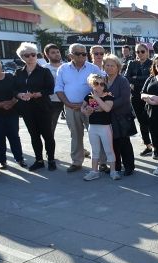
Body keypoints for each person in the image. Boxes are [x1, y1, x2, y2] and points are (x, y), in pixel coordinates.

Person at [54, 43, 102, 172]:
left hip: (90, 108)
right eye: (78, 53)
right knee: (75, 135)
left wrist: (88, 104)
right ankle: (76, 161)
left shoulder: (93, 68)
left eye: (84, 53)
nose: (82, 56)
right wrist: (67, 103)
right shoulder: (63, 69)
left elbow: (101, 88)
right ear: (70, 55)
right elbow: (58, 88)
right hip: (71, 107)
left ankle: (102, 162)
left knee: (96, 134)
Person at [13, 42, 56, 172]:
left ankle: (51, 160)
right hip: (27, 109)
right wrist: (19, 95)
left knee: (47, 135)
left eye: (33, 54)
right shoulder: (18, 72)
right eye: (27, 55)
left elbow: (50, 88)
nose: (31, 57)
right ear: (22, 57)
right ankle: (39, 160)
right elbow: (14, 89)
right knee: (34, 135)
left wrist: (38, 94)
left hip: (43, 107)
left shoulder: (44, 71)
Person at [0, 54, 26, 169]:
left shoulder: (10, 76)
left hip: (11, 111)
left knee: (14, 136)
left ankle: (19, 159)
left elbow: (17, 91)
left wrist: (12, 102)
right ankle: (2, 161)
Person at [103, 54, 136, 177]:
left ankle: (129, 167)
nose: (110, 68)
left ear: (118, 67)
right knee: (112, 143)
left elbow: (124, 99)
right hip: (107, 117)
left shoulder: (123, 80)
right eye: (107, 65)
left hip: (121, 117)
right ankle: (115, 166)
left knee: (124, 142)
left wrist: (108, 105)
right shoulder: (103, 80)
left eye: (113, 65)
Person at [80, 73, 117, 181]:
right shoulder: (88, 96)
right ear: (92, 84)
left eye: (102, 84)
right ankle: (94, 171)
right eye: (96, 83)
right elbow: (82, 108)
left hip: (105, 127)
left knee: (109, 149)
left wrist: (96, 97)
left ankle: (113, 171)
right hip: (93, 127)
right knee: (94, 150)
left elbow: (107, 108)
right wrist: (86, 110)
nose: (99, 86)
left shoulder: (109, 96)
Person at [124, 43, 153, 157]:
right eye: (137, 52)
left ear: (147, 52)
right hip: (135, 96)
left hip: (149, 95)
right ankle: (148, 145)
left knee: (151, 121)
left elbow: (150, 78)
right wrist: (137, 79)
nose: (140, 54)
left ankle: (156, 145)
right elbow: (127, 77)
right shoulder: (132, 63)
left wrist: (135, 79)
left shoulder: (152, 63)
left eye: (142, 51)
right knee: (141, 122)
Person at [42, 43, 65, 133]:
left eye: (58, 52)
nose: (56, 54)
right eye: (53, 52)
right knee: (50, 127)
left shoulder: (67, 67)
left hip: (69, 100)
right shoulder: (44, 69)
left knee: (74, 127)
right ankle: (50, 146)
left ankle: (78, 147)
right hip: (52, 101)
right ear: (47, 55)